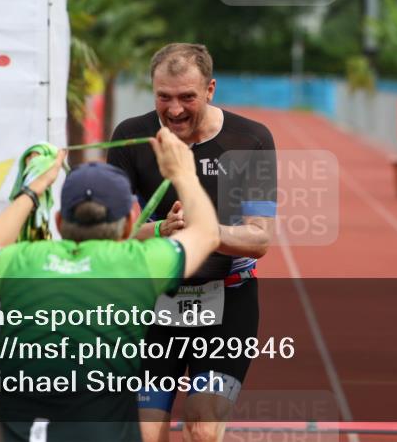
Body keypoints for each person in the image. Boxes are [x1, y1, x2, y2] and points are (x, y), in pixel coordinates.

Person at [0, 127, 221, 441]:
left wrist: (34, 189)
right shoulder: (138, 263)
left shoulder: (23, 261)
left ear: (59, 222)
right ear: (129, 225)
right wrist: (183, 174)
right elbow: (207, 233)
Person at [107, 43, 277, 442]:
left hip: (228, 304)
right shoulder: (131, 136)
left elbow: (259, 238)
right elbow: (113, 234)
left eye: (187, 97)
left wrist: (204, 231)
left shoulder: (251, 139)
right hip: (153, 304)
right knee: (144, 433)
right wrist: (160, 231)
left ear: (210, 89)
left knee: (202, 429)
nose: (175, 110)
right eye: (163, 97)